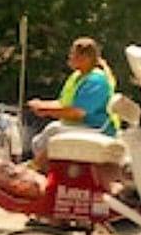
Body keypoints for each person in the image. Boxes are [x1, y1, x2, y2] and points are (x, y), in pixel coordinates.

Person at [28, 37, 116, 168]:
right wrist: (42, 105)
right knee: (44, 135)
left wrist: (46, 111)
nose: (69, 57)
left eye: (72, 54)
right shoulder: (77, 76)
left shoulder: (97, 81)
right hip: (82, 126)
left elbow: (78, 112)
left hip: (97, 129)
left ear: (85, 57)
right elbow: (63, 103)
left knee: (55, 132)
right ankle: (45, 170)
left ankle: (37, 168)